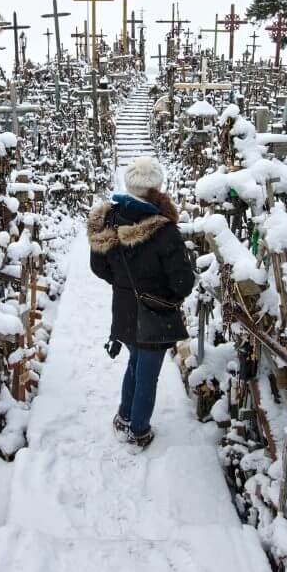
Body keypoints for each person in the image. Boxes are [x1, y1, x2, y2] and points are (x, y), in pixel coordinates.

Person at [88, 156, 194, 448]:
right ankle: (139, 430)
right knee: (147, 372)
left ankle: (124, 415)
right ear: (157, 188)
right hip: (155, 313)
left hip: (123, 310)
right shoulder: (165, 231)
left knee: (135, 362)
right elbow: (183, 282)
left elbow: (99, 268)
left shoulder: (107, 220)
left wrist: (123, 285)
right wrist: (167, 297)